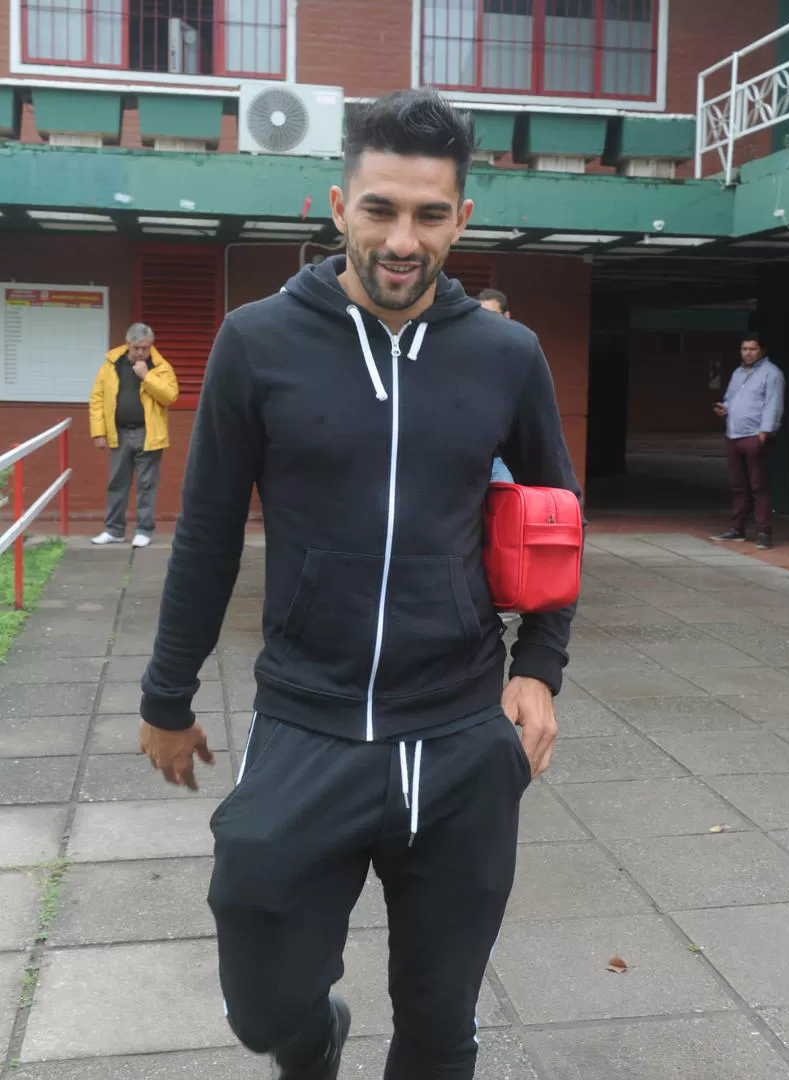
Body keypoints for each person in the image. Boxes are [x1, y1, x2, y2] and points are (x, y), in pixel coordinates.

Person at [138, 89, 580, 1080]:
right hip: (309, 719)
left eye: (428, 215)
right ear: (337, 204)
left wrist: (540, 665)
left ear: (461, 219)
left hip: (460, 735)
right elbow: (207, 532)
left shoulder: (506, 356)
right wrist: (166, 696)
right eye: (380, 209)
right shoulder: (258, 343)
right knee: (263, 993)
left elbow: (554, 516)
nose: (401, 239)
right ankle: (310, 1041)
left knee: (439, 1022)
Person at [88, 323, 178, 548]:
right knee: (117, 483)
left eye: (145, 348)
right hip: (118, 433)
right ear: (127, 344)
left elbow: (170, 396)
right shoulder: (111, 364)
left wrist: (146, 376)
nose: (140, 353)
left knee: (147, 484)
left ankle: (144, 531)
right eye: (136, 347)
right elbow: (97, 398)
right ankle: (114, 530)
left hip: (149, 433)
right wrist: (98, 432)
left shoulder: (159, 366)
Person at [710, 332, 785, 550]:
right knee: (738, 486)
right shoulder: (738, 373)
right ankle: (737, 529)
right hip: (734, 434)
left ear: (762, 350)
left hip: (755, 436)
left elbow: (774, 404)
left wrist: (765, 431)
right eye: (744, 349)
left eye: (752, 349)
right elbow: (730, 398)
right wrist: (724, 408)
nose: (748, 353)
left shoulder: (772, 374)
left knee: (758, 486)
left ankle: (764, 532)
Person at [478, 289, 515, 484]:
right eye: (480, 316)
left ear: (506, 316)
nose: (486, 322)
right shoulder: (468, 352)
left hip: (503, 458)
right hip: (473, 456)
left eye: (492, 315)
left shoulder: (521, 351)